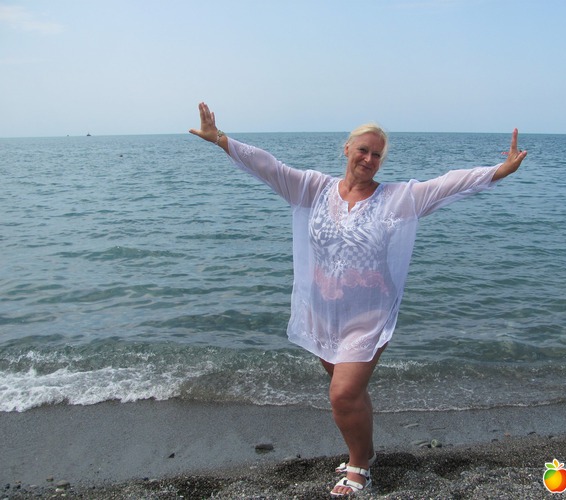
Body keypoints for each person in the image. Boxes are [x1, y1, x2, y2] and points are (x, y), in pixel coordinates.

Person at [189, 102, 527, 496]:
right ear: (346, 149)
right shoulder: (312, 188)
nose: (369, 159)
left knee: (342, 394)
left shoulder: (398, 198)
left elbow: (448, 183)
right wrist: (222, 140)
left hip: (368, 316)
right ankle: (366, 450)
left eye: (377, 155)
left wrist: (499, 170)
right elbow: (269, 166)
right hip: (323, 313)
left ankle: (360, 466)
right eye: (363, 150)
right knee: (351, 393)